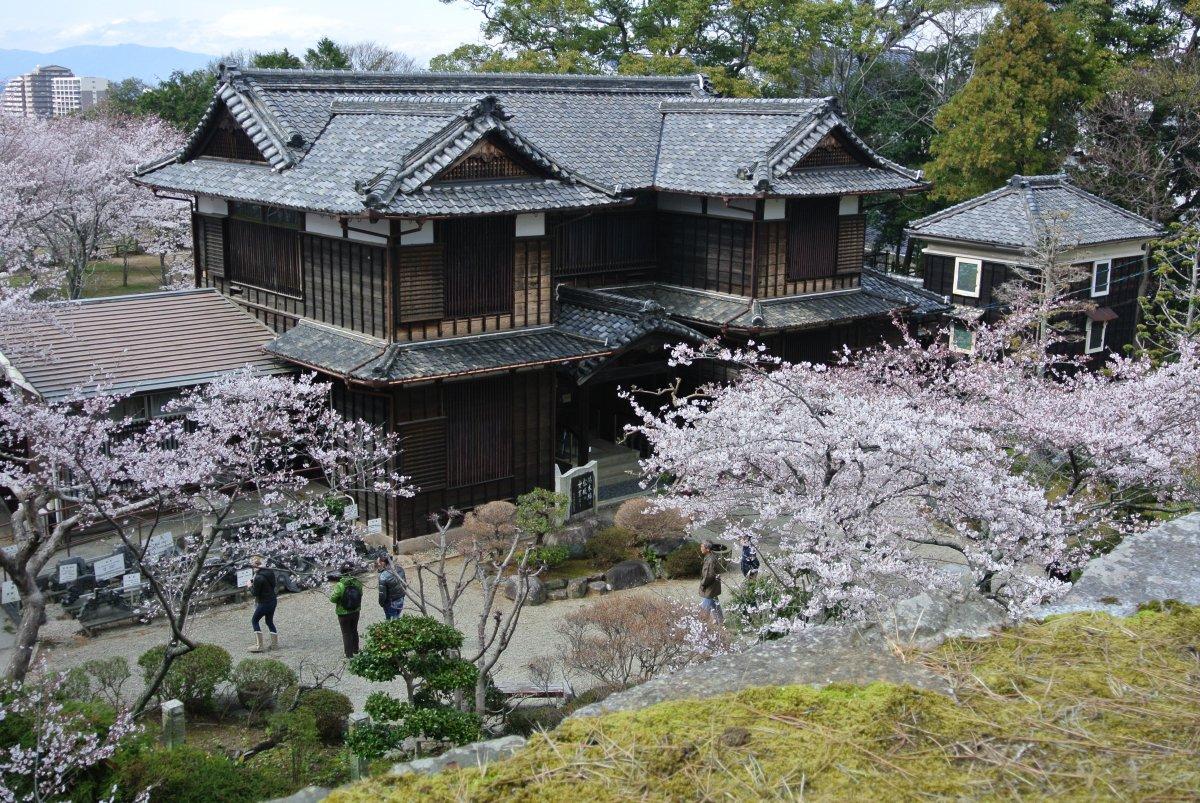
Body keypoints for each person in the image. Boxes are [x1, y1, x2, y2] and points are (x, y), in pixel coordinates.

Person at [329, 566, 364, 658]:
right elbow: (361, 594)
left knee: (346, 633)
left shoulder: (340, 585)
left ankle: (349, 654)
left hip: (343, 612)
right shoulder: (358, 582)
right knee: (354, 630)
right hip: (355, 610)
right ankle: (356, 649)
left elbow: (333, 599)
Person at [248, 556, 278, 652]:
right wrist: (254, 582)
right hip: (273, 600)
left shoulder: (259, 577)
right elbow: (270, 584)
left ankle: (259, 646)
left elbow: (254, 593)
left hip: (264, 602)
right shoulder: (269, 571)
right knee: (269, 621)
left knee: (254, 621)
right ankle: (274, 645)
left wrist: (249, 586)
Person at [698, 540, 724, 624]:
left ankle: (701, 624)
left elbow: (708, 575)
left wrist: (703, 584)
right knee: (714, 602)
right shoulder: (710, 557)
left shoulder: (710, 560)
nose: (701, 548)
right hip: (713, 585)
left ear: (708, 549)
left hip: (710, 586)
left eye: (702, 547)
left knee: (705, 606)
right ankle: (720, 620)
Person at [376, 555, 406, 620]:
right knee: (397, 617)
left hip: (390, 602)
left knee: (391, 622)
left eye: (379, 562)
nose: (378, 564)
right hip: (400, 599)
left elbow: (382, 594)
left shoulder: (383, 576)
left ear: (383, 563)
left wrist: (381, 603)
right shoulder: (400, 569)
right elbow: (404, 585)